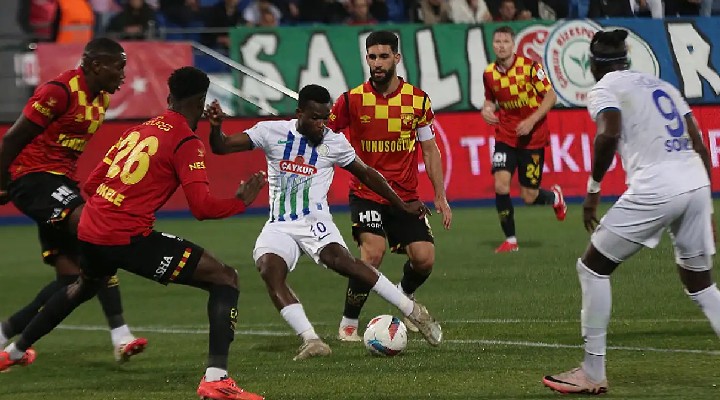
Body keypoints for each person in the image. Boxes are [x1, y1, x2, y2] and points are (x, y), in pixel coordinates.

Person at [0, 66, 267, 400]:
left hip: (91, 228)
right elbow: (201, 208)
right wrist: (240, 202)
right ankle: (216, 379)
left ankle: (12, 352)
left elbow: (93, 183)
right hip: (125, 236)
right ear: (201, 102)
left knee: (82, 287)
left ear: (169, 98)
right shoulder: (186, 141)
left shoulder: (139, 130)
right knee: (225, 277)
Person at [206, 84, 443, 360]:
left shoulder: (334, 142)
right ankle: (311, 340)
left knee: (343, 263)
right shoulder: (271, 132)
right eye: (315, 118)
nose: (322, 124)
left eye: (325, 118)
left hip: (314, 221)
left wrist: (401, 204)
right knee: (269, 268)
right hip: (279, 224)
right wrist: (215, 127)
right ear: (300, 113)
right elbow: (221, 146)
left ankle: (413, 311)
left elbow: (367, 174)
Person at [542, 29, 720, 395]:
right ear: (626, 59)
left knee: (593, 268)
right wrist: (707, 208)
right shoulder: (664, 85)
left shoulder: (604, 88)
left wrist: (593, 189)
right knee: (701, 284)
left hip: (657, 185)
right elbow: (700, 145)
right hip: (696, 182)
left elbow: (609, 132)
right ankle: (592, 372)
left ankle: (592, 373)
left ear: (593, 64)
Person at [0, 37, 147, 363]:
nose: (123, 75)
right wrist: (2, 183)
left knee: (71, 278)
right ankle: (121, 335)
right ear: (96, 65)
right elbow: (12, 138)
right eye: (119, 67)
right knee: (99, 233)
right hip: (33, 179)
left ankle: (5, 335)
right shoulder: (59, 91)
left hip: (59, 184)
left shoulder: (101, 98)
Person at [326, 30, 452, 342]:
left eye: (384, 56)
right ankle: (349, 324)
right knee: (372, 253)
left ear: (397, 58)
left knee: (424, 258)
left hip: (405, 197)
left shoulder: (417, 100)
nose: (377, 63)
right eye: (372, 57)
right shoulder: (352, 100)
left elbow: (429, 149)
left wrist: (440, 195)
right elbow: (324, 132)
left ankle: (403, 295)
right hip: (366, 192)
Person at [482, 25, 566, 253]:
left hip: (532, 138)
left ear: (513, 44)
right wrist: (486, 109)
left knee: (529, 196)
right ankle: (510, 240)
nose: (501, 46)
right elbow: (490, 100)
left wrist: (532, 120)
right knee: (500, 184)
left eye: (505, 42)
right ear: (493, 45)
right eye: (497, 42)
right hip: (505, 135)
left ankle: (555, 198)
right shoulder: (489, 73)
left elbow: (551, 96)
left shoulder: (530, 68)